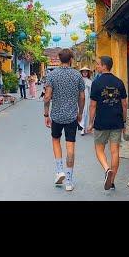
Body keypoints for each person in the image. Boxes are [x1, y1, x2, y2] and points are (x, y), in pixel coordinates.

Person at [43, 48, 85, 192]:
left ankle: (59, 170)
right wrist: (80, 113)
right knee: (70, 147)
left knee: (55, 140)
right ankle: (69, 181)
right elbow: (82, 97)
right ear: (71, 59)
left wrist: (46, 114)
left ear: (60, 59)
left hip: (56, 116)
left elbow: (47, 96)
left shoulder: (52, 75)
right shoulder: (77, 75)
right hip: (72, 116)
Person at [86, 55, 128, 190]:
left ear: (104, 66)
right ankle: (112, 180)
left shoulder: (96, 83)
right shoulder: (119, 82)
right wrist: (124, 121)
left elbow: (92, 106)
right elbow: (124, 104)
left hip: (101, 121)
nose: (96, 66)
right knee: (115, 151)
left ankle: (106, 169)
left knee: (99, 149)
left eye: (98, 64)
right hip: (116, 121)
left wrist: (91, 122)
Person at [78, 67, 92, 135]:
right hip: (80, 98)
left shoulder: (90, 81)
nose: (85, 73)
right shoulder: (79, 80)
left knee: (86, 112)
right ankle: (82, 127)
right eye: (83, 72)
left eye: (86, 72)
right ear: (81, 73)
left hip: (87, 98)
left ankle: (84, 127)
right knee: (82, 112)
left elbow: (91, 91)